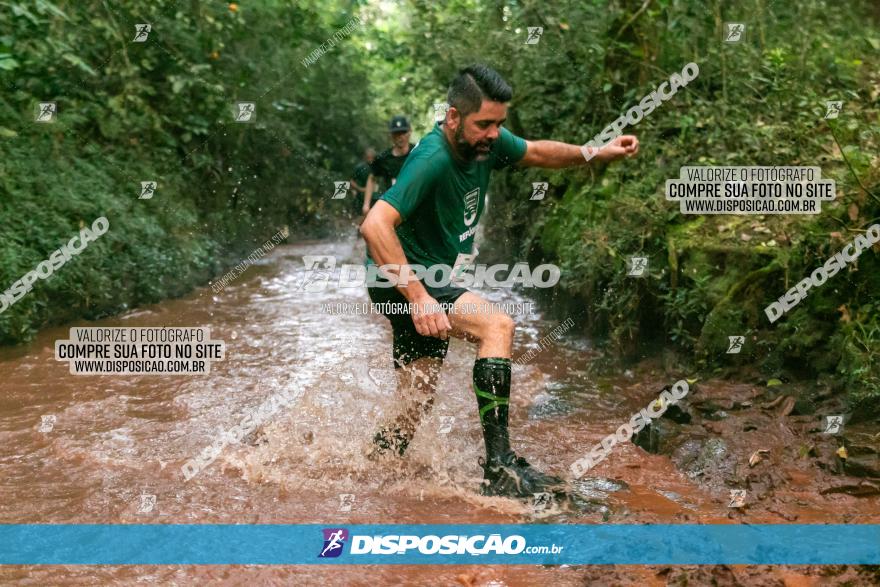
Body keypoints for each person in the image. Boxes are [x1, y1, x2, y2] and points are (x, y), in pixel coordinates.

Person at [359, 64, 639, 498]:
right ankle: (499, 468)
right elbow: (376, 225)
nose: (493, 133)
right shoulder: (432, 159)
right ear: (453, 118)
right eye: (483, 124)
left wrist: (599, 152)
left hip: (413, 277)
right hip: (411, 276)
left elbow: (539, 153)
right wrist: (417, 297)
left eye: (499, 124)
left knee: (416, 401)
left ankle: (368, 470)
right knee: (497, 326)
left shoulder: (484, 146)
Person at [362, 116, 415, 215]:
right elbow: (372, 178)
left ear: (409, 132)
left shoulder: (418, 153)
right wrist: (366, 204)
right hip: (392, 206)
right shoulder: (383, 158)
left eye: (403, 132)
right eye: (396, 134)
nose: (400, 137)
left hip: (415, 204)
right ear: (391, 135)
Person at [350, 148, 376, 217]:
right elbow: (351, 181)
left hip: (374, 197)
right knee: (359, 215)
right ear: (365, 157)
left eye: (372, 158)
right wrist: (360, 189)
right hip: (360, 196)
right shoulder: (360, 167)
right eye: (368, 157)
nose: (370, 160)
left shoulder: (377, 167)